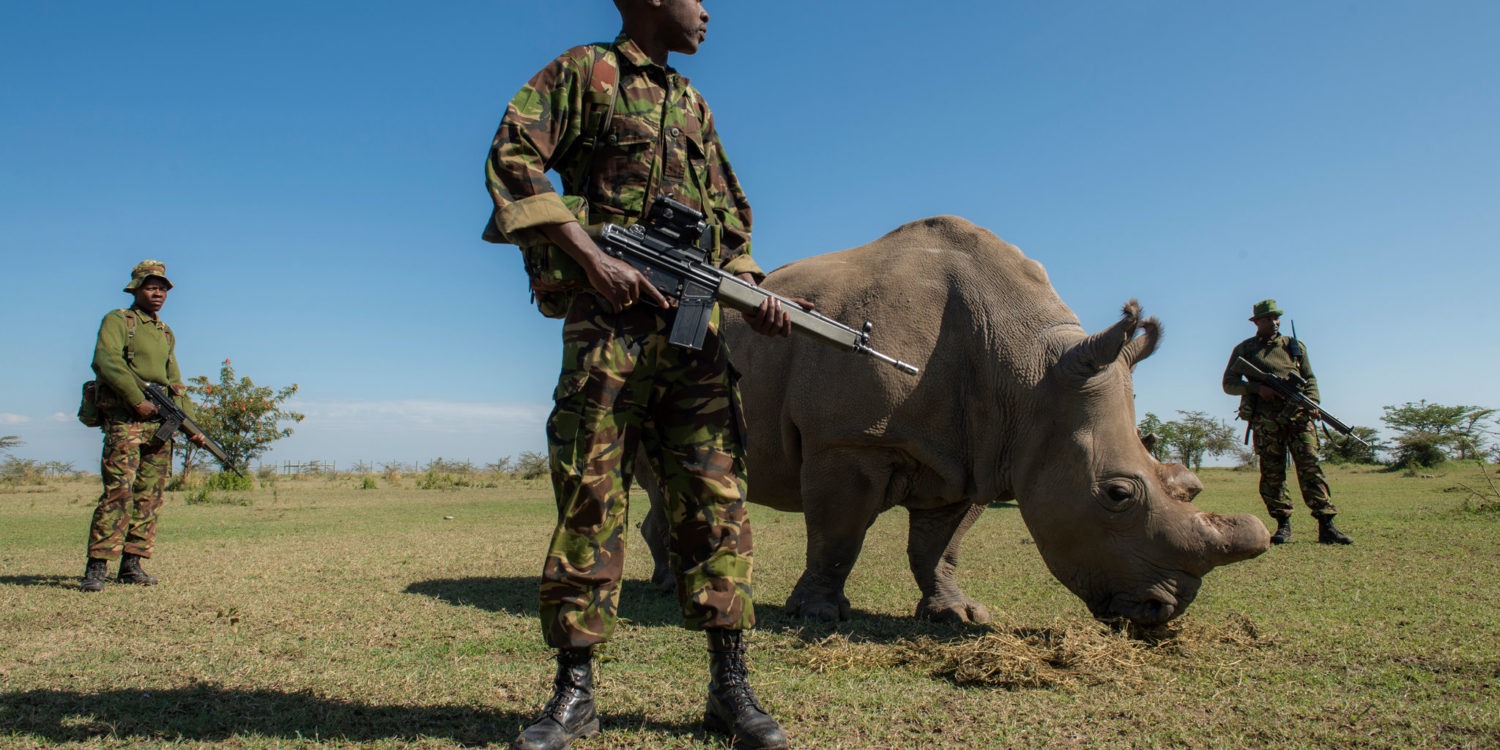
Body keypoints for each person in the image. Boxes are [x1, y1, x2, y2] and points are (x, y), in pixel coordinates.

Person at [483, 2, 793, 748]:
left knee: (716, 501)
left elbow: (731, 215)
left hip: (696, 339)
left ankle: (731, 687)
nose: (708, 10)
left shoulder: (693, 104)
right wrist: (591, 257)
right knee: (591, 496)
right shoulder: (585, 72)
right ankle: (575, 693)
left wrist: (752, 291)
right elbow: (513, 156)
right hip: (609, 332)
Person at [80, 260, 206, 593]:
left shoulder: (165, 332)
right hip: (127, 420)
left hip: (160, 424)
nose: (158, 293)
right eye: (152, 287)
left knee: (149, 496)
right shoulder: (119, 320)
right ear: (135, 288)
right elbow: (105, 360)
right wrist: (137, 399)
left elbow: (176, 383)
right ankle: (96, 567)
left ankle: (132, 565)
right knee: (118, 491)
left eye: (163, 288)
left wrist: (190, 425)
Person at [1222, 299, 1352, 546]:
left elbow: (1310, 378)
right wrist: (1257, 388)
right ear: (1257, 322)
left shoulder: (1294, 346)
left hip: (1299, 419)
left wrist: (1312, 402)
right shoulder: (1245, 350)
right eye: (1268, 318)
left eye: (1276, 318)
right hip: (1266, 422)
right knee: (1272, 473)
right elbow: (1229, 384)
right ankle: (1283, 526)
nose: (1274, 322)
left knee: (1311, 468)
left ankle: (1327, 526)